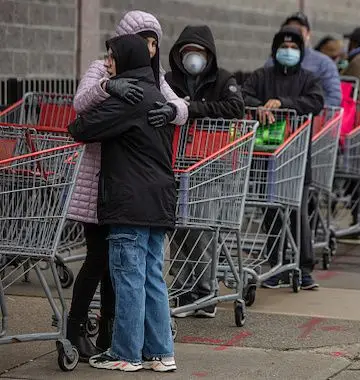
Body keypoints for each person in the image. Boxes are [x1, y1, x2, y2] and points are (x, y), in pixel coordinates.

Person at [67, 10, 186, 361]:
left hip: (126, 185)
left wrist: (172, 112)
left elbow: (179, 105)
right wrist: (108, 85)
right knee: (102, 259)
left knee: (127, 271)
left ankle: (119, 343)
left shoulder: (153, 79)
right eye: (144, 41)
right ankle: (80, 326)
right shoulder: (103, 68)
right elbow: (80, 103)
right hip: (101, 181)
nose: (150, 48)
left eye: (154, 42)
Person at [160, 24, 245, 319]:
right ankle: (184, 288)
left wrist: (193, 108)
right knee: (179, 228)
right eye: (187, 52)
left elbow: (235, 108)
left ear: (208, 55)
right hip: (176, 161)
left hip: (211, 164)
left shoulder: (223, 80)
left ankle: (205, 293)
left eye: (197, 52)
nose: (192, 58)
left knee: (201, 228)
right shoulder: (170, 80)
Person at [242, 25, 324, 290]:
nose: (288, 52)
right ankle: (276, 263)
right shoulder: (261, 76)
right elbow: (243, 95)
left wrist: (284, 104)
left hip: (296, 157)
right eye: (283, 47)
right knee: (272, 213)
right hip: (268, 156)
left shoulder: (308, 79)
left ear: (300, 51)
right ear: (275, 50)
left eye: (293, 48)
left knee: (297, 212)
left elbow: (315, 102)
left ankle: (304, 267)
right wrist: (258, 107)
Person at [265, 12, 340, 107]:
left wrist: (315, 113)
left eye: (299, 31)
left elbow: (333, 96)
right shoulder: (271, 63)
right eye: (290, 30)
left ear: (308, 34)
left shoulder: (324, 64)